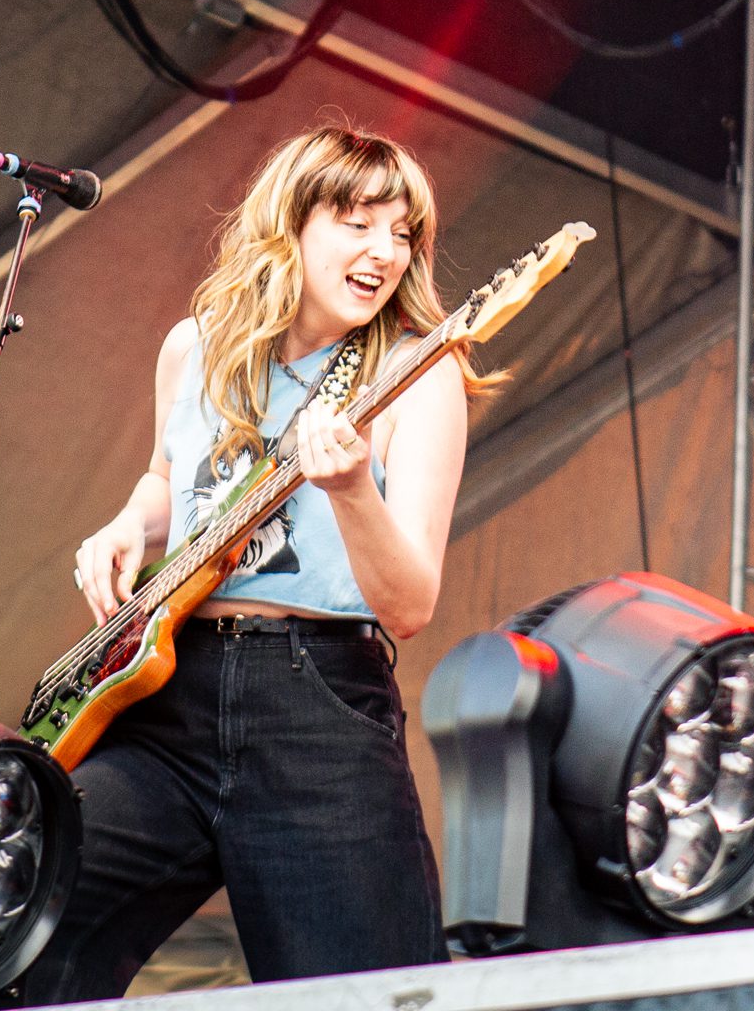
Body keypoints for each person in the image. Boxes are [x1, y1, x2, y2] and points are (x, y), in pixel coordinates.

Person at [27, 125, 486, 998]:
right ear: (293, 222)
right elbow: (176, 474)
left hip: (315, 702)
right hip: (166, 696)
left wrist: (351, 489)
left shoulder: (418, 373)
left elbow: (410, 603)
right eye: (357, 223)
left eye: (403, 234)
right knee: (18, 910)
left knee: (365, 992)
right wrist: (129, 521)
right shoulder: (193, 348)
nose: (383, 252)